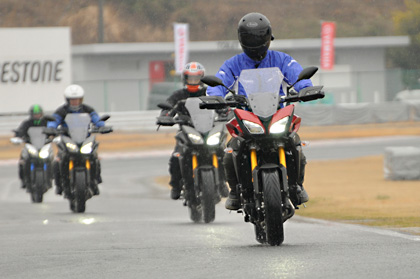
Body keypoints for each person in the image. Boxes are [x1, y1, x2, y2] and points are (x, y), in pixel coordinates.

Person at [206, 12, 312, 210]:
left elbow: (297, 74)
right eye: (249, 37)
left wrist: (305, 88)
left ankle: (297, 185)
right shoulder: (233, 64)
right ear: (241, 39)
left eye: (258, 36)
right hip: (248, 115)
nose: (254, 41)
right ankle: (236, 192)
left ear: (268, 36)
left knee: (295, 142)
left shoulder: (282, 59)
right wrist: (216, 96)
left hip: (277, 114)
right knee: (231, 149)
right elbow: (219, 81)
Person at [159, 62, 228, 200]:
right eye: (190, 78)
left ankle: (222, 182)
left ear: (202, 78)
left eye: (196, 78)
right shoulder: (178, 95)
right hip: (187, 131)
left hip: (209, 130)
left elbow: (221, 105)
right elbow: (167, 109)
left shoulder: (209, 92)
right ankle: (176, 186)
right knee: (176, 157)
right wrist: (165, 116)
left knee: (224, 153)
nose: (193, 81)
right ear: (185, 79)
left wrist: (225, 111)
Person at [47, 84, 105, 196]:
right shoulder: (61, 111)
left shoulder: (88, 109)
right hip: (68, 139)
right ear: (67, 100)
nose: (75, 102)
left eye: (77, 99)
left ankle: (95, 181)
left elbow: (96, 118)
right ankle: (59, 185)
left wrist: (101, 126)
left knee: (95, 158)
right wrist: (51, 128)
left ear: (81, 99)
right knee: (58, 160)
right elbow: (54, 120)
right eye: (72, 100)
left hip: (85, 139)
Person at [14, 104, 48, 188]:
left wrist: (53, 135)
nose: (37, 116)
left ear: (42, 114)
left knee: (52, 160)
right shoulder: (26, 123)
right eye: (35, 114)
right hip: (30, 146)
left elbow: (53, 130)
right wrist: (19, 136)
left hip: (43, 145)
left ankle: (50, 178)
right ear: (31, 115)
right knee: (22, 161)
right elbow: (20, 131)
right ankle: (24, 180)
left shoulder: (46, 122)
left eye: (38, 114)